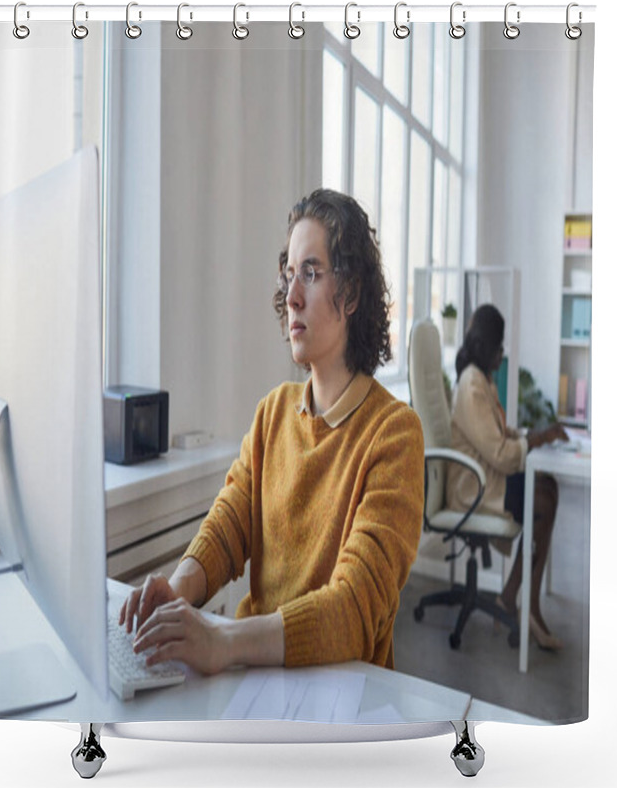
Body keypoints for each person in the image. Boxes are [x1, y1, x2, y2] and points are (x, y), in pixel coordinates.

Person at [119, 189, 424, 674]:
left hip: (339, 699)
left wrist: (222, 639)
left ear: (352, 293)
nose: (292, 295)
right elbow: (228, 528)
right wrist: (175, 591)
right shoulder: (273, 413)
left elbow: (354, 608)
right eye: (289, 275)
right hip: (257, 677)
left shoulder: (395, 434)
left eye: (312, 272)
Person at [445, 304, 567, 650]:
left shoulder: (481, 380)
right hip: (475, 488)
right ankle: (522, 603)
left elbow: (498, 431)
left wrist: (534, 435)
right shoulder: (471, 384)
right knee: (542, 497)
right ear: (488, 347)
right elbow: (499, 453)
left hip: (488, 478)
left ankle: (514, 596)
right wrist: (536, 440)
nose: (503, 354)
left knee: (548, 488)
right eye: (500, 346)